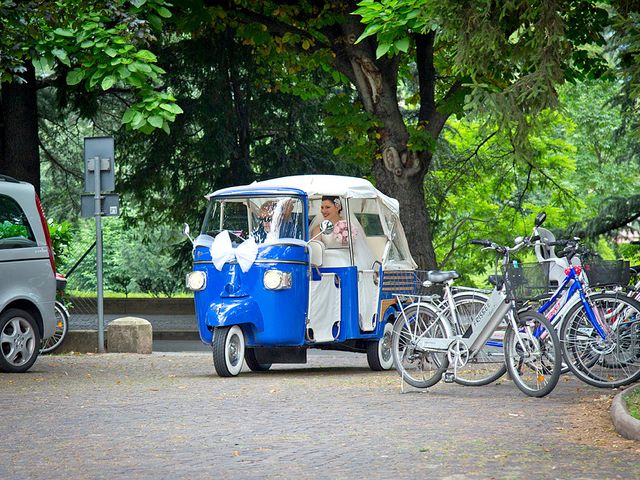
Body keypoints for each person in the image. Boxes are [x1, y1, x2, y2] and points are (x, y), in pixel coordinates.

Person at [309, 196, 374, 269]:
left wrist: (347, 240)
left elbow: (357, 246)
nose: (323, 211)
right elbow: (315, 250)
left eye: (327, 207)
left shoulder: (348, 225)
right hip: (326, 261)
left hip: (348, 259)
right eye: (322, 207)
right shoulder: (319, 228)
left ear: (338, 207)